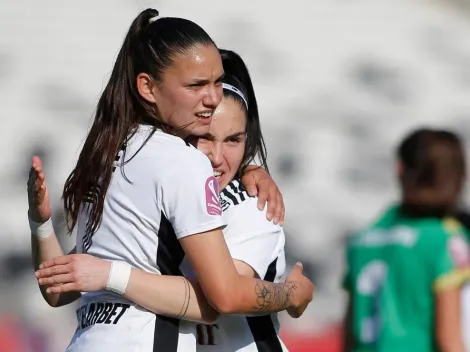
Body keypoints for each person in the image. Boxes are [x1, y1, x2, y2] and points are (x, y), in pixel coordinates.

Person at [29, 8, 314, 352]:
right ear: (147, 87)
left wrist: (42, 226)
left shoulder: (110, 155)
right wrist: (294, 293)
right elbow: (221, 298)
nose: (215, 156)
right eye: (205, 138)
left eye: (234, 140)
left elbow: (63, 286)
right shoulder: (177, 163)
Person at [342, 128, 470, 352]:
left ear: (400, 169)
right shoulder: (446, 240)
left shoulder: (364, 240)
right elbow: (449, 338)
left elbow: (349, 334)